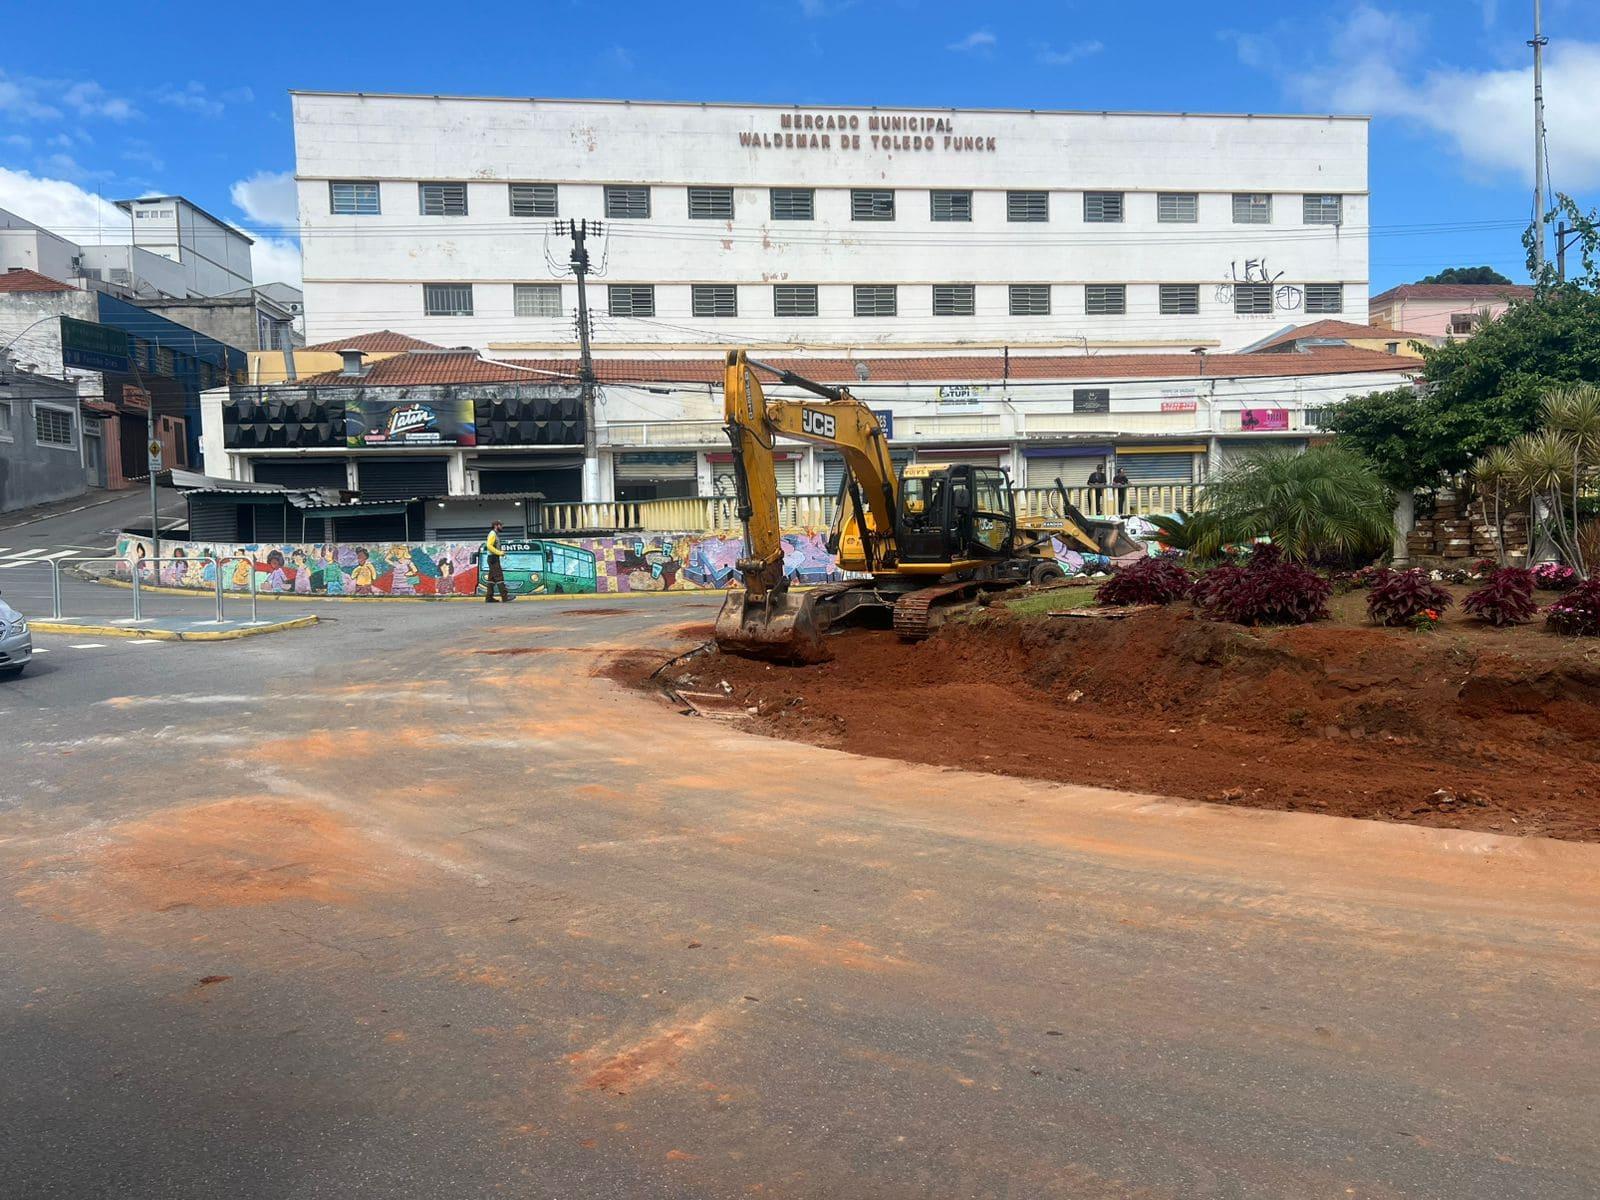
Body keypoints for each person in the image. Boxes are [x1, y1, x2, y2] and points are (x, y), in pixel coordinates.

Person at [484, 520, 511, 603]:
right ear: (496, 526)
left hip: (493, 558)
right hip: (493, 558)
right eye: (500, 525)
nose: (502, 527)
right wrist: (499, 552)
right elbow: (488, 546)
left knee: (491, 579)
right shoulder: (492, 534)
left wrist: (499, 552)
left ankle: (489, 597)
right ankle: (505, 596)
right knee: (499, 577)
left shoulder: (494, 534)